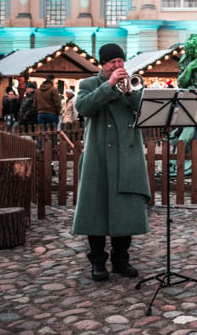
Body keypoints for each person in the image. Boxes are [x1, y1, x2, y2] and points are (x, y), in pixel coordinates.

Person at [72, 43, 150, 281]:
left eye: (120, 62)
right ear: (102, 65)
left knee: (124, 211)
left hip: (127, 157)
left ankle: (121, 260)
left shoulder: (134, 84)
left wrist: (130, 93)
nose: (117, 66)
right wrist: (109, 85)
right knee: (95, 211)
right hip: (99, 158)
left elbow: (144, 112)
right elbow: (84, 108)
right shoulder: (89, 85)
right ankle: (97, 262)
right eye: (112, 63)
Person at [36, 74, 62, 148]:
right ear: (52, 80)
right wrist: (58, 112)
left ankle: (41, 148)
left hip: (41, 113)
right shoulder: (53, 89)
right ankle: (53, 148)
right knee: (52, 132)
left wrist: (39, 110)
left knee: (42, 132)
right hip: (52, 113)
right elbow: (57, 103)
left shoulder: (38, 90)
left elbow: (35, 103)